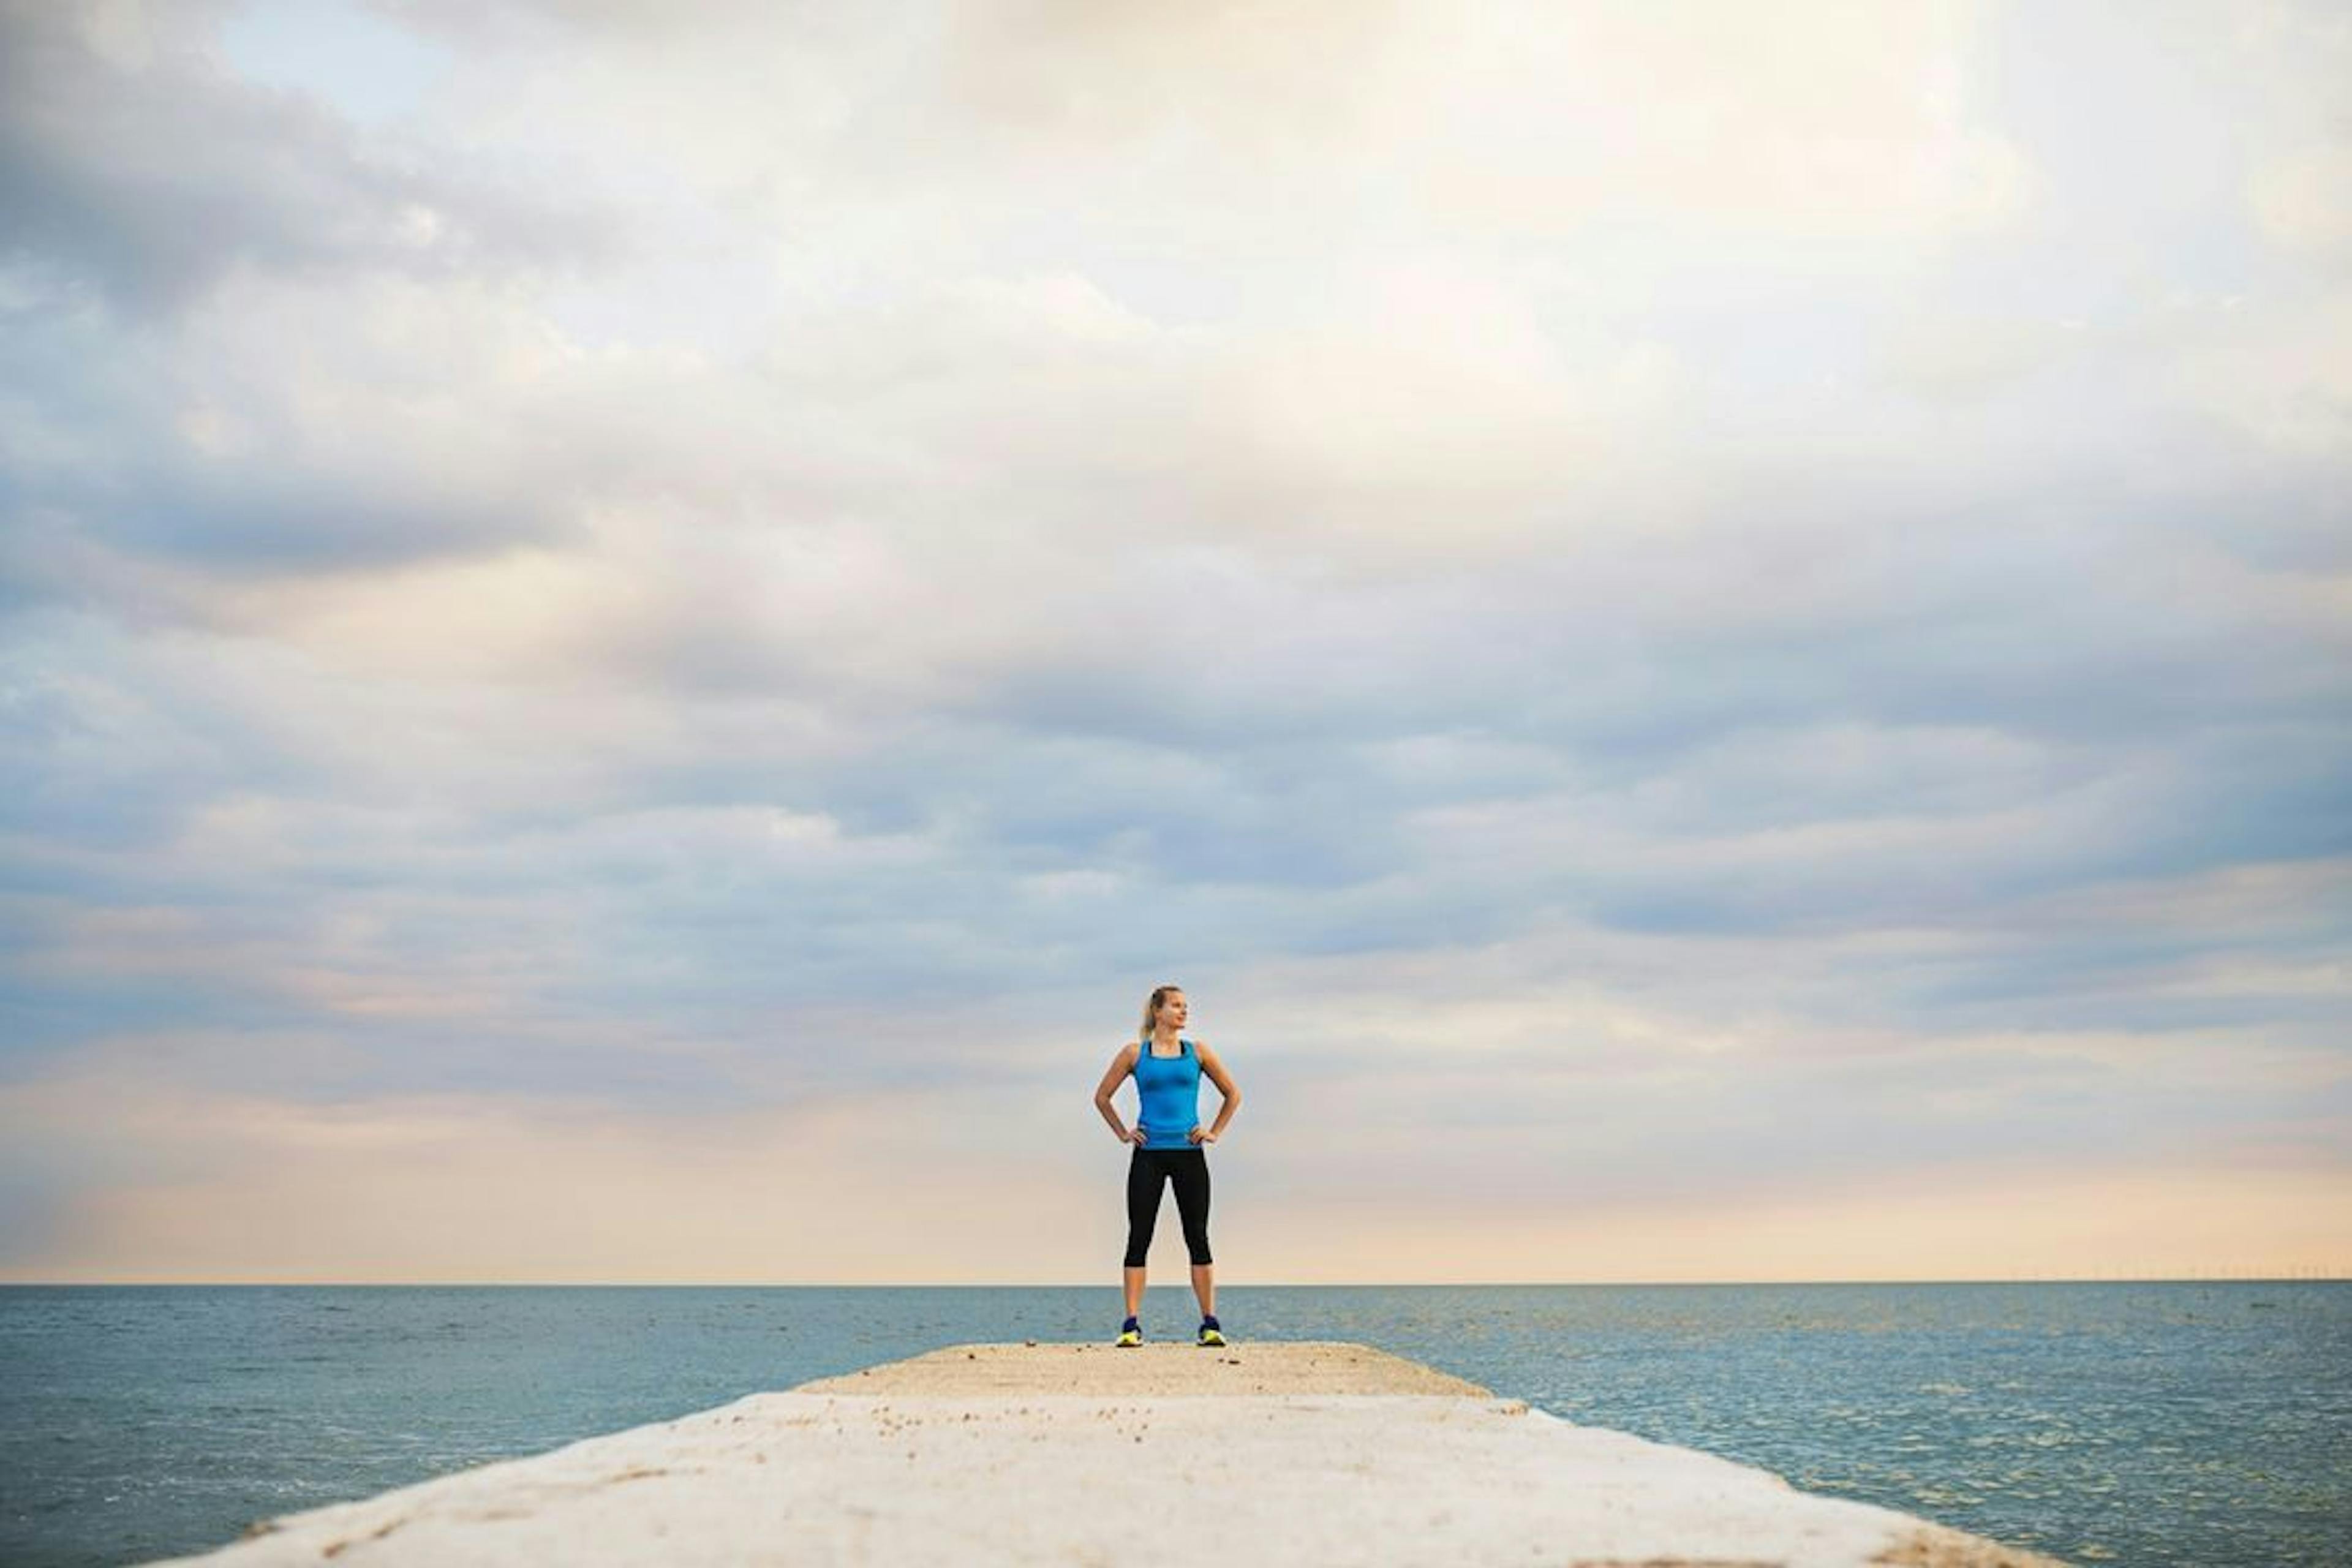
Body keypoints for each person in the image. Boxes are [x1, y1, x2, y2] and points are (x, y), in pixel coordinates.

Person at [1091, 983, 1242, 1347]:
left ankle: (1210, 1323)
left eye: (1185, 1006)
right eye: (1176, 1006)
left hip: (1190, 1154)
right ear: (1157, 1011)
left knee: (1198, 1237)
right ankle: (1130, 1325)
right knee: (1139, 1237)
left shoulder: (1198, 1053)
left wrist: (1213, 1132)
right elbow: (1102, 1097)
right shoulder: (1134, 1054)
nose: (1183, 1012)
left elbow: (1232, 1094)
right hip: (1149, 1155)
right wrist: (1124, 1133)